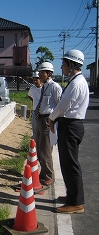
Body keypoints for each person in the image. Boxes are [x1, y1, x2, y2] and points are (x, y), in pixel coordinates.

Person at [49, 49, 89, 214]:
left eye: (64, 64)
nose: (61, 66)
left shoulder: (76, 83)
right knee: (67, 163)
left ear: (71, 65)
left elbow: (63, 106)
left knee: (71, 164)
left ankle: (76, 203)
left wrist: (51, 118)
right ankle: (72, 195)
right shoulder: (76, 81)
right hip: (71, 125)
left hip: (71, 126)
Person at [35, 62, 62, 186]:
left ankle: (49, 176)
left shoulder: (55, 87)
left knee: (46, 150)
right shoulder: (44, 86)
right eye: (39, 72)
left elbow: (59, 105)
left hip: (47, 120)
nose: (40, 75)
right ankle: (43, 173)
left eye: (42, 73)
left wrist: (53, 121)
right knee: (40, 149)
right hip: (40, 119)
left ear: (49, 74)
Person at [28, 71, 43, 140]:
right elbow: (29, 95)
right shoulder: (32, 88)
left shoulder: (44, 88)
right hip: (34, 111)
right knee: (34, 128)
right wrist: (34, 101)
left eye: (36, 79)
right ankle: (35, 145)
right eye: (33, 80)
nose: (35, 81)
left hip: (42, 112)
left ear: (40, 79)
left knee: (42, 130)